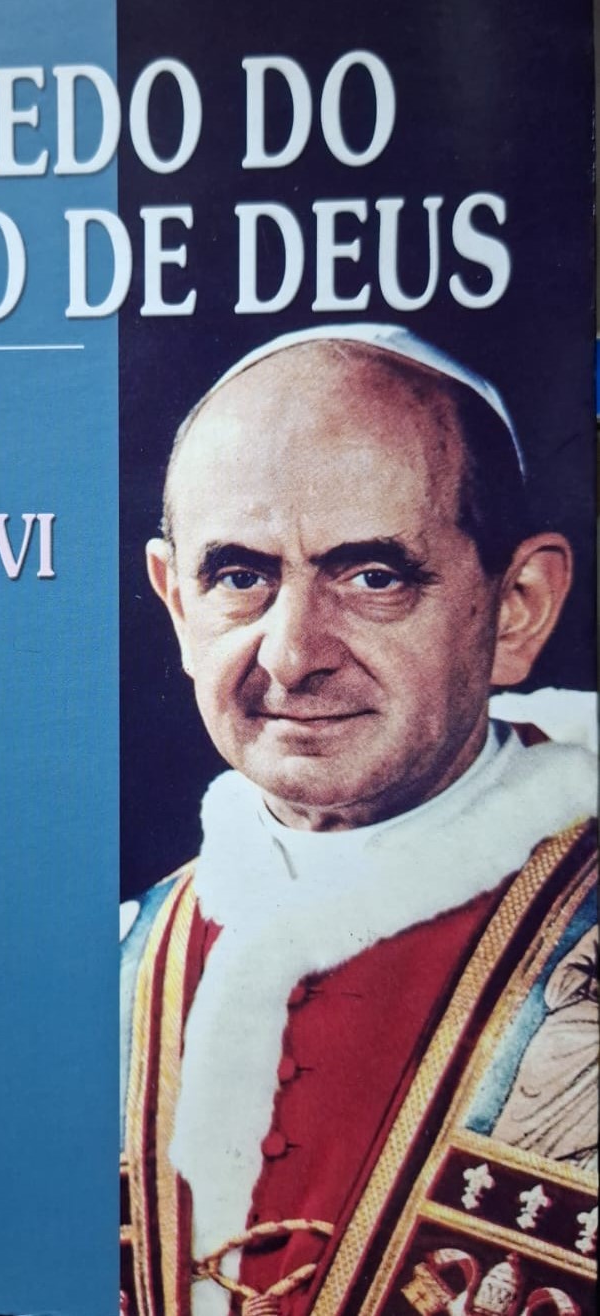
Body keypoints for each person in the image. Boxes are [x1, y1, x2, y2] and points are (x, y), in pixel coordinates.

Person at [119, 325, 597, 1316]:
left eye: (371, 575)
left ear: (515, 606)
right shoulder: (101, 965)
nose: (291, 654)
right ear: (175, 603)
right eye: (238, 576)